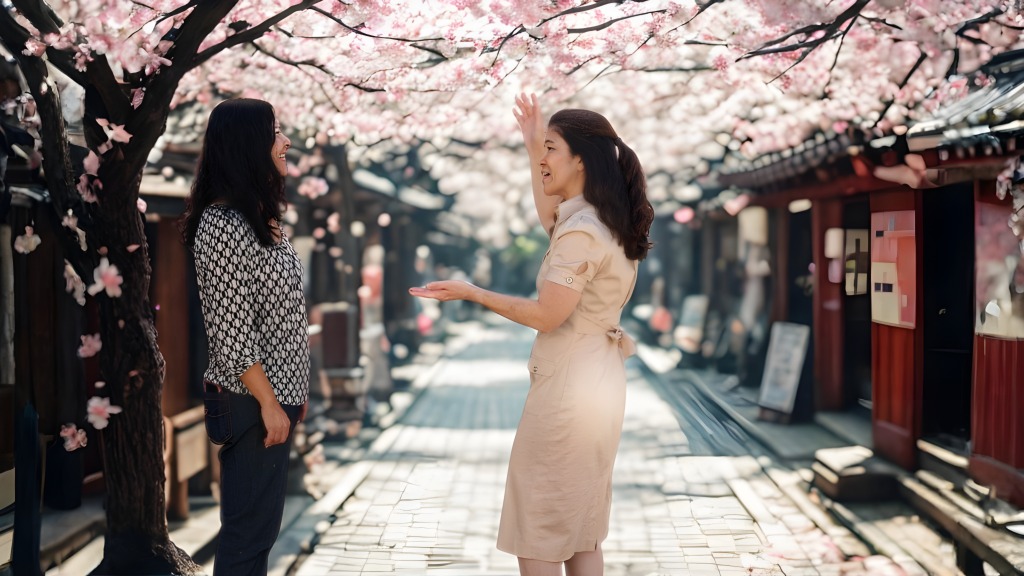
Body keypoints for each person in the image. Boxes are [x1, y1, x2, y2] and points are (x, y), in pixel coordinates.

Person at [410, 93, 654, 576]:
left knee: (540, 523)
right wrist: (531, 144)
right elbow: (551, 217)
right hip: (597, 381)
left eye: (552, 150)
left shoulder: (582, 230)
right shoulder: (601, 222)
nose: (543, 160)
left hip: (569, 390)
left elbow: (548, 315)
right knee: (582, 525)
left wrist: (472, 292)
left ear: (580, 160)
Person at [180, 98, 309, 576]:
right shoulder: (221, 224)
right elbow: (231, 333)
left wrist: (295, 396)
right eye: (275, 131)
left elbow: (282, 319)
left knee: (258, 537)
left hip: (272, 401)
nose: (286, 141)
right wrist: (272, 404)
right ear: (248, 143)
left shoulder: (258, 220)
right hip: (252, 402)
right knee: (245, 539)